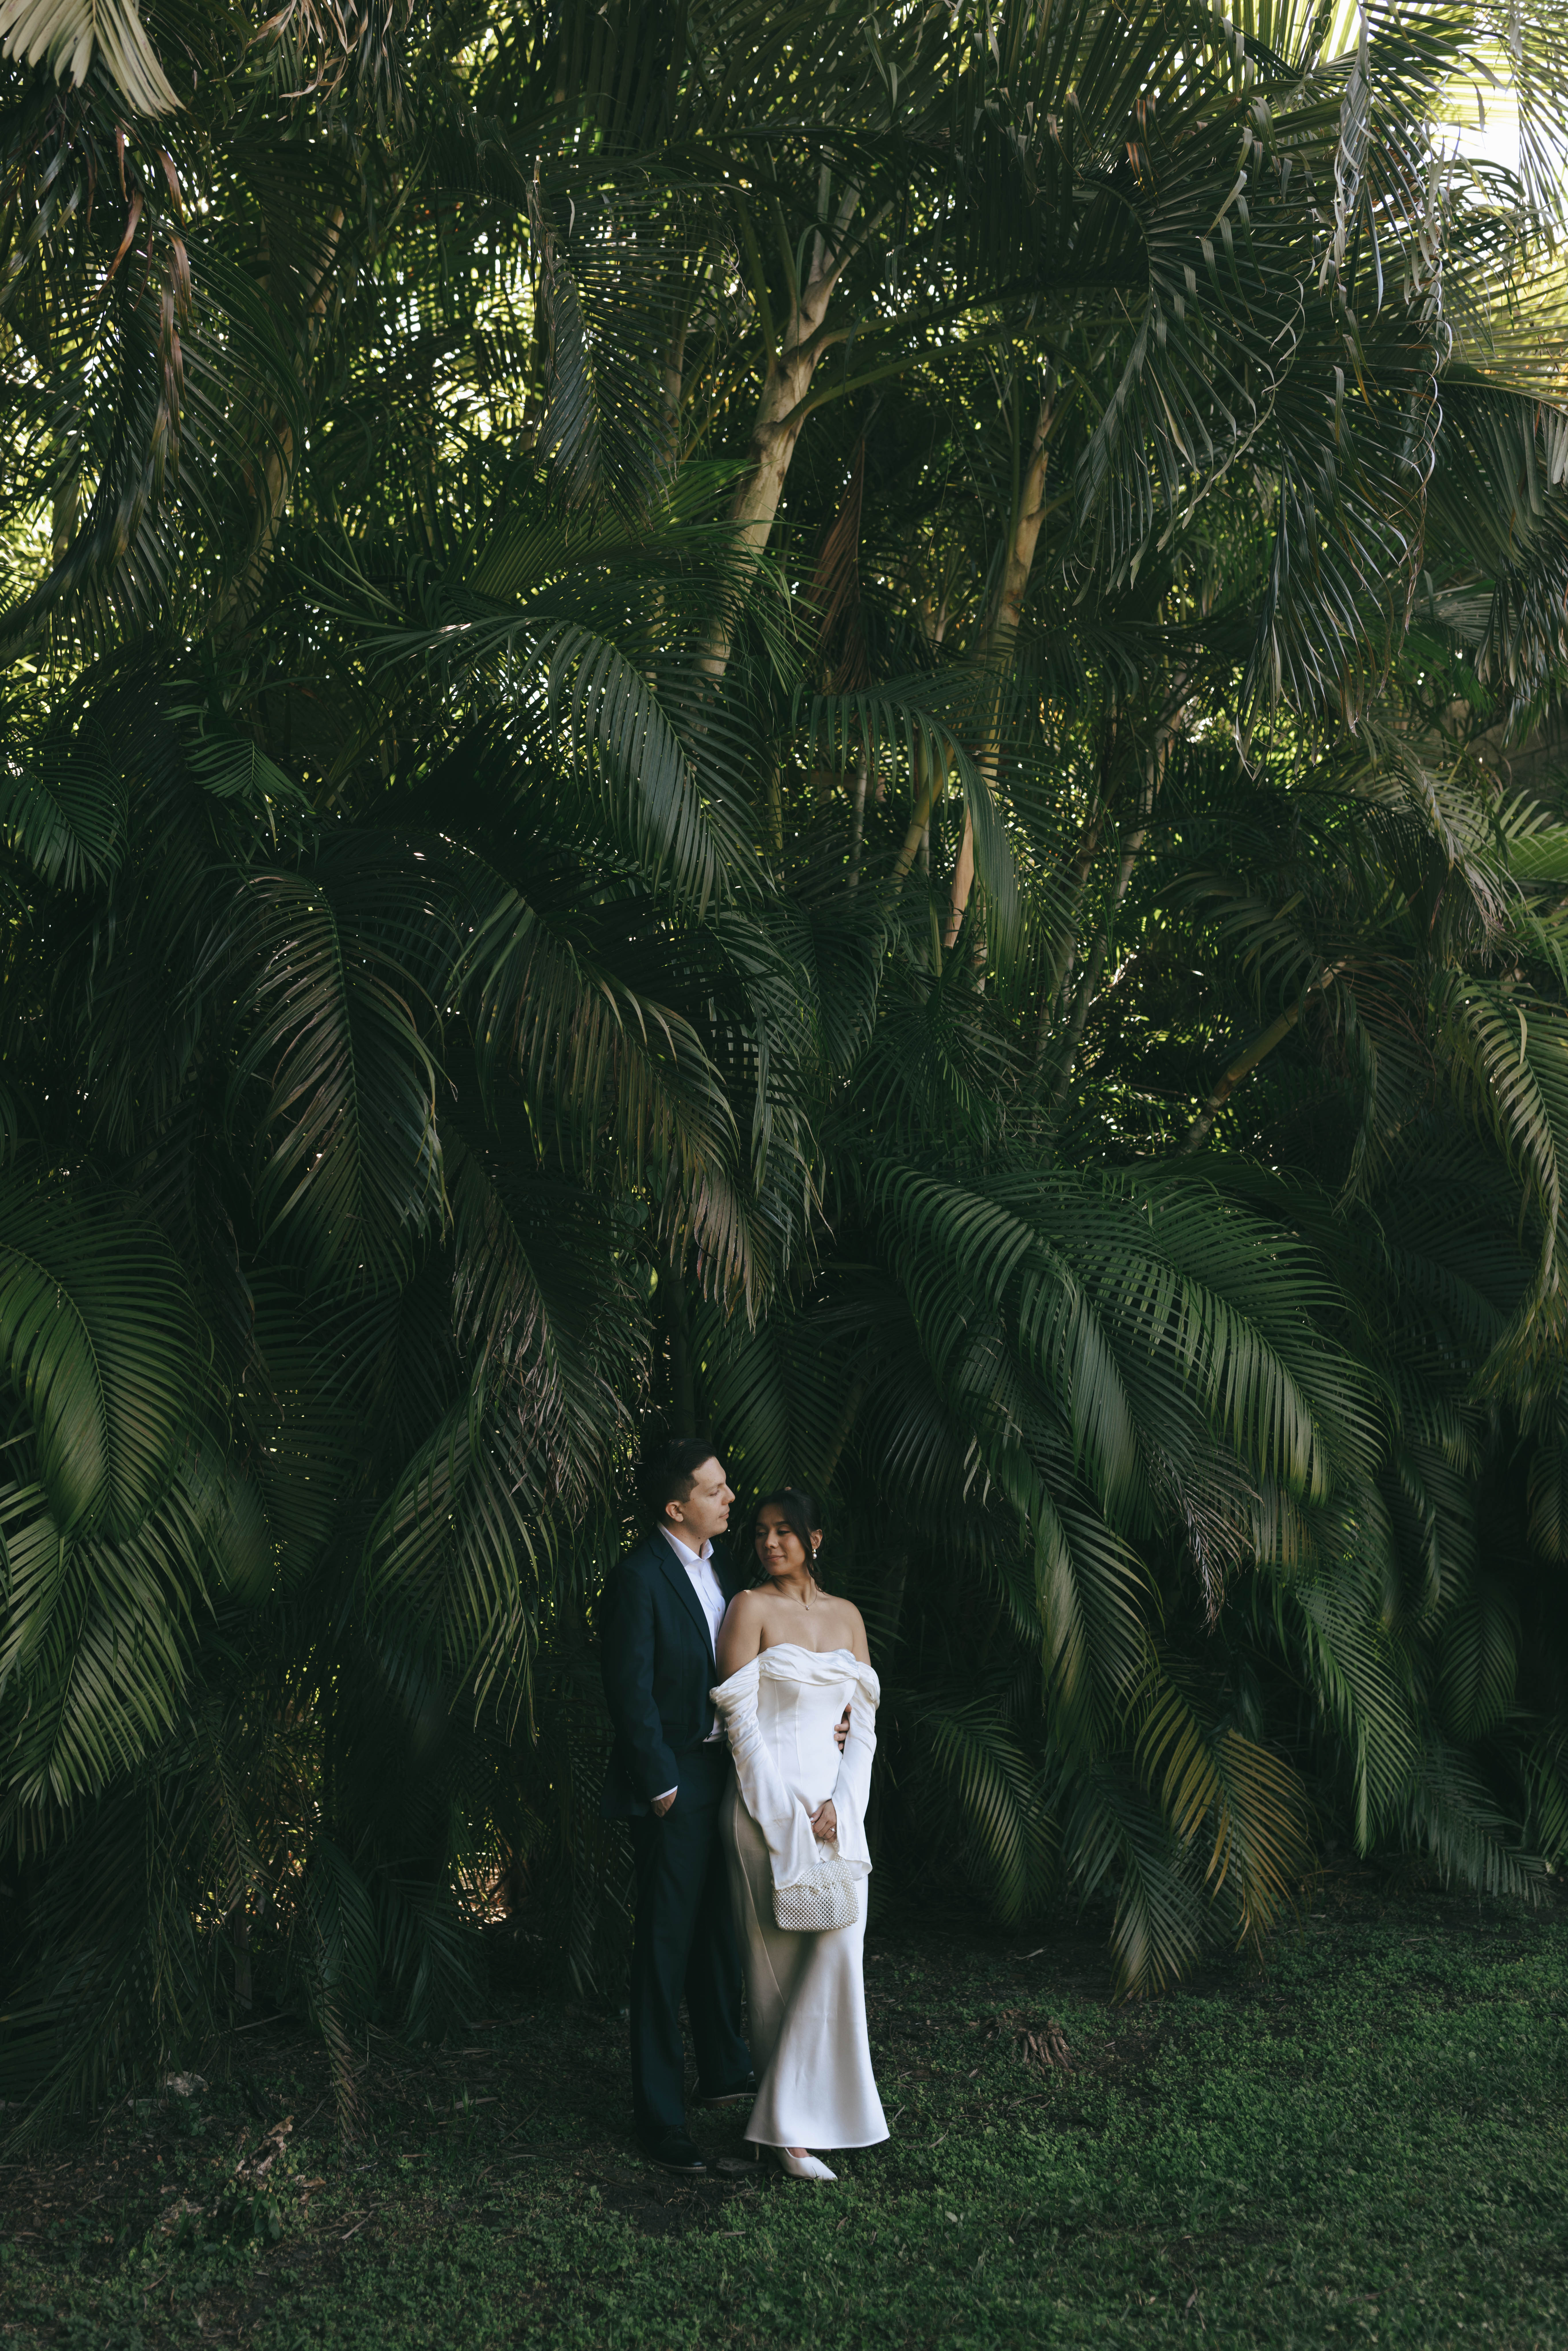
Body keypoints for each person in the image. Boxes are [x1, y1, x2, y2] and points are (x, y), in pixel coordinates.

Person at [711, 1486, 888, 2181]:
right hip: (764, 1809)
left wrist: (843, 1806)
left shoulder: (848, 1617)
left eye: (785, 1531)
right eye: (759, 1532)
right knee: (777, 1968)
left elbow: (865, 1723)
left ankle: (801, 2116)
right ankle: (782, 2134)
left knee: (838, 1947)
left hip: (838, 1808)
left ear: (815, 1540)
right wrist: (788, 1816)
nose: (769, 1543)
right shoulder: (747, 1609)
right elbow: (741, 1729)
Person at [599, 1441, 756, 2172]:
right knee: (663, 1949)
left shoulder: (717, 1571)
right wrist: (660, 1784)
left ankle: (725, 2071)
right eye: (716, 1489)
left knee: (718, 1932)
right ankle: (661, 2120)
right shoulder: (638, 1577)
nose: (730, 1497)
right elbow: (628, 1688)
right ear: (676, 1507)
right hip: (675, 1782)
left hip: (726, 1772)